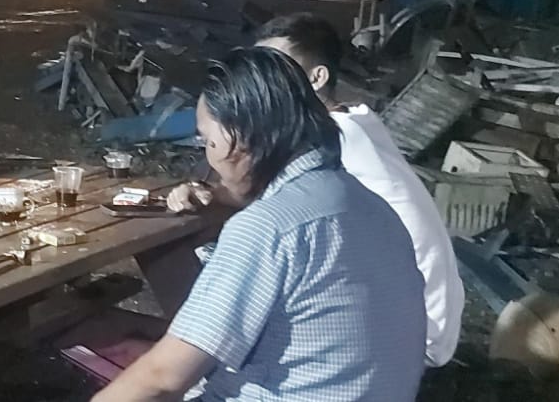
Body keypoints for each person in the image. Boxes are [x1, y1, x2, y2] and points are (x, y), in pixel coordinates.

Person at [93, 47, 426, 402]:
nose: (208, 156)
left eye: (208, 140)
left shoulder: (268, 228)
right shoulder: (370, 206)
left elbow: (163, 378)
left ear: (239, 136)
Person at [166, 12, 463, 367]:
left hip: (412, 330)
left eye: (279, 72)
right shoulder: (352, 119)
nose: (263, 86)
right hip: (414, 309)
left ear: (317, 78)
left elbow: (272, 212)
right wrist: (214, 193)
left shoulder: (332, 142)